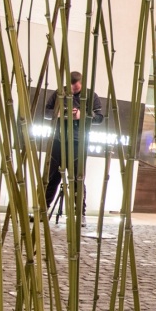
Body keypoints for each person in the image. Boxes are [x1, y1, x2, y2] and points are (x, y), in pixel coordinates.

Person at [44, 71, 105, 215]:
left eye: (76, 89)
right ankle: (43, 209)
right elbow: (46, 112)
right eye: (70, 88)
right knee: (52, 176)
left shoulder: (90, 95)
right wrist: (59, 113)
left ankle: (80, 213)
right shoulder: (60, 93)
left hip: (78, 141)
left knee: (78, 178)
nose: (73, 91)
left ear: (81, 84)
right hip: (58, 139)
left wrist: (80, 115)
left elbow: (100, 117)